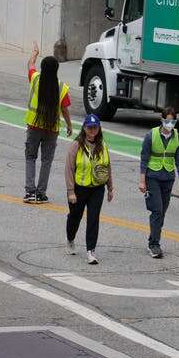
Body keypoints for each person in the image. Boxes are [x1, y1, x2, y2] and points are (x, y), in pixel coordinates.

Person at [24, 43, 73, 203]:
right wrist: (69, 125)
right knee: (46, 160)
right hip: (52, 129)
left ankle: (30, 192)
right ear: (57, 69)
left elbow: (30, 65)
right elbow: (65, 110)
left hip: (33, 126)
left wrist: (35, 53)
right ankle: (41, 193)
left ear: (43, 68)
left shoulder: (36, 79)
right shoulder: (62, 87)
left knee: (31, 157)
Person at [65, 114, 114, 265]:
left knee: (93, 218)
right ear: (84, 128)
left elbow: (107, 167)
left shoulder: (103, 146)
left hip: (97, 188)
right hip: (80, 188)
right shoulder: (76, 146)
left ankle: (90, 251)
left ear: (99, 129)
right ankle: (70, 238)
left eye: (95, 127)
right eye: (89, 127)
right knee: (75, 217)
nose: (92, 130)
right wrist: (71, 191)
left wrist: (110, 187)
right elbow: (69, 169)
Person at [140, 107, 179, 259]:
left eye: (173, 121)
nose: (170, 124)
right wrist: (142, 181)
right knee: (157, 210)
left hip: (168, 178)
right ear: (162, 120)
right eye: (167, 121)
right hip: (152, 176)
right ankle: (154, 245)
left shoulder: (177, 138)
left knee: (162, 212)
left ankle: (152, 239)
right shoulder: (151, 135)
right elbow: (144, 159)